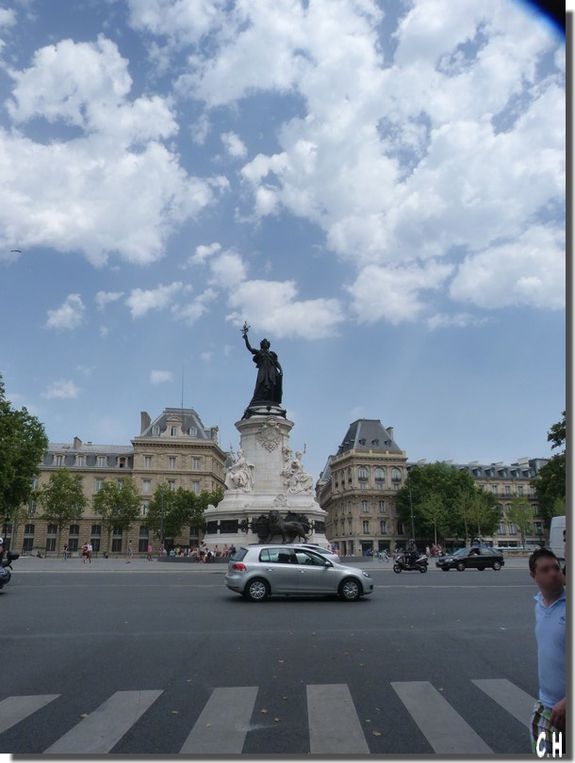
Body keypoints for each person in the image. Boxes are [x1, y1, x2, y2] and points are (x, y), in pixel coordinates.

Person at [529, 548, 566, 756]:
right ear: (534, 577)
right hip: (547, 708)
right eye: (545, 569)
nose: (553, 573)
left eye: (556, 568)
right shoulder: (539, 605)